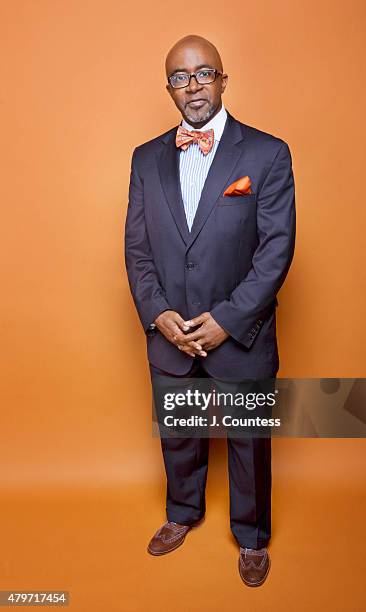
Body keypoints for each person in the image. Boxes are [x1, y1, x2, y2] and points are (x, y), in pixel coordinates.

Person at [124, 34, 296, 587]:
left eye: (203, 73)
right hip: (169, 332)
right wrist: (157, 313)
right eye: (180, 76)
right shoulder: (145, 158)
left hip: (241, 332)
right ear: (168, 87)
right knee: (179, 432)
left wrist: (228, 320)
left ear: (223, 79)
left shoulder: (268, 153)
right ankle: (182, 514)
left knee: (248, 439)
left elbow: (276, 250)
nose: (192, 85)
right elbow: (137, 248)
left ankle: (251, 537)